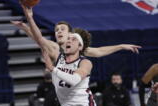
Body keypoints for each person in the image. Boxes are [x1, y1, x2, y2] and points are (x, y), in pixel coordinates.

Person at [11, 5, 141, 63]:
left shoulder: (78, 49)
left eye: (62, 29)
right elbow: (38, 37)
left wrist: (121, 46)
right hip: (63, 99)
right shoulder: (54, 47)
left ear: (70, 34)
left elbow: (100, 51)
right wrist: (27, 24)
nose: (59, 31)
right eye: (57, 30)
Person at [42, 28, 98, 106]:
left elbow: (74, 80)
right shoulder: (59, 59)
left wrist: (53, 69)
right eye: (68, 38)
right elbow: (39, 39)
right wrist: (29, 20)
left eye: (73, 39)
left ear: (80, 46)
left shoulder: (84, 62)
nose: (68, 41)